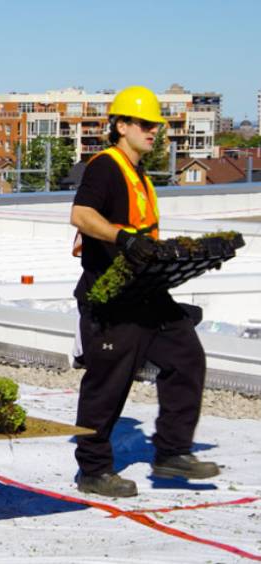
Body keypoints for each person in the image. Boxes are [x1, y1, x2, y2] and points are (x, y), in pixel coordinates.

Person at [70, 85, 219, 498]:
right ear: (121, 126)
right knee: (108, 382)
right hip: (109, 296)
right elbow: (80, 214)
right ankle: (94, 470)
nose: (154, 130)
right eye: (145, 123)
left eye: (157, 124)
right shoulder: (105, 167)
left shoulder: (138, 174)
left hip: (146, 291)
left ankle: (172, 451)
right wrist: (123, 239)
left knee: (186, 357)